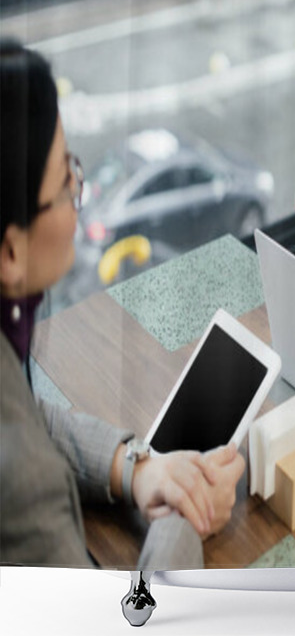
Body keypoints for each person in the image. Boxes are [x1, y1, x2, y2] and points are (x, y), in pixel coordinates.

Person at [0, 39, 245, 568]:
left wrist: (138, 467)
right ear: (10, 251)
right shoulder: (24, 492)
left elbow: (24, 411)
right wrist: (186, 511)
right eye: (66, 184)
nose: (78, 196)